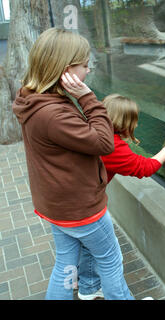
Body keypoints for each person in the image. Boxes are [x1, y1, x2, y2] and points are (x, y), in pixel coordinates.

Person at [12, 28, 134, 300]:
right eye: (85, 65)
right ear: (67, 70)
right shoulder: (54, 113)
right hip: (80, 208)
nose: (88, 71)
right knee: (111, 260)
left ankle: (88, 291)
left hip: (56, 205)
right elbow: (105, 143)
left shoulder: (31, 98)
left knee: (66, 265)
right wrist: (87, 97)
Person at [76, 94, 165, 300]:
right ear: (126, 122)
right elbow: (144, 168)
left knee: (87, 247)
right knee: (111, 257)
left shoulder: (91, 131)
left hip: (70, 203)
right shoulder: (112, 146)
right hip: (86, 208)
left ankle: (88, 288)